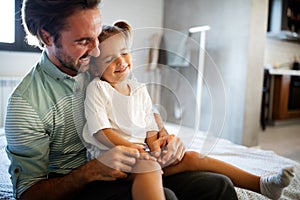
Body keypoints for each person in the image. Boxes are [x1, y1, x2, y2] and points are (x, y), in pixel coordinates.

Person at [4, 0, 239, 200]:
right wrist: (90, 172)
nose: (97, 50)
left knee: (219, 187)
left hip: (135, 164)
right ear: (46, 36)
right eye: (84, 41)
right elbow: (27, 193)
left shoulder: (103, 61)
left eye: (97, 36)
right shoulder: (25, 104)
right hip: (82, 184)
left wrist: (163, 134)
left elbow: (141, 105)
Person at [83, 21, 295, 200]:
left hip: (142, 155)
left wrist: (156, 146)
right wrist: (134, 149)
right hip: (114, 160)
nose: (120, 62)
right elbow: (101, 131)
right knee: (150, 169)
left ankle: (262, 185)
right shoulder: (98, 89)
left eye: (124, 53)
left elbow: (148, 126)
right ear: (94, 68)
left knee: (193, 157)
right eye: (109, 60)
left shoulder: (138, 89)